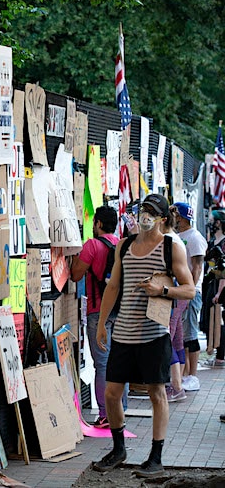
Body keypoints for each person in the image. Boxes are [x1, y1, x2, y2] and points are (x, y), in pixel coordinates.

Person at [93, 193, 195, 478]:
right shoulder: (124, 246)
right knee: (112, 393)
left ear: (162, 218)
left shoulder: (171, 247)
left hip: (154, 334)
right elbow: (113, 286)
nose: (145, 215)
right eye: (142, 210)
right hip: (123, 331)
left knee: (157, 393)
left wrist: (162, 290)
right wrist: (102, 323)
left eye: (151, 211)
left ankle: (156, 457)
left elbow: (189, 289)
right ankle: (118, 448)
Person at [71, 206, 127, 427]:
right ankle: (121, 410)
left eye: (94, 222)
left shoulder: (92, 245)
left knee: (102, 364)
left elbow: (76, 275)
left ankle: (106, 414)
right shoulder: (121, 244)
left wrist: (75, 257)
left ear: (99, 224)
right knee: (120, 363)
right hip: (121, 311)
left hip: (98, 312)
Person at [172, 202, 208, 391]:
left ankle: (193, 375)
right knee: (182, 335)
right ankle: (185, 374)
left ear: (182, 217)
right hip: (180, 292)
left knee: (190, 333)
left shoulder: (194, 237)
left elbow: (197, 266)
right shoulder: (179, 236)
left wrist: (190, 290)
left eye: (176, 215)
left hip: (190, 293)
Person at [160, 207, 189, 402]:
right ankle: (178, 384)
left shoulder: (168, 241)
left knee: (166, 338)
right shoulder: (174, 238)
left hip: (173, 295)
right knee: (176, 338)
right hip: (178, 295)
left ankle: (176, 386)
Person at [201, 208, 225, 368]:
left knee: (220, 321)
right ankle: (216, 352)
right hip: (210, 283)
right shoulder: (212, 241)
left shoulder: (224, 243)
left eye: (212, 220)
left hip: (220, 285)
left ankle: (220, 356)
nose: (210, 223)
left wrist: (220, 292)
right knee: (209, 319)